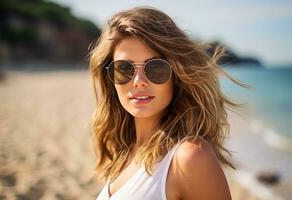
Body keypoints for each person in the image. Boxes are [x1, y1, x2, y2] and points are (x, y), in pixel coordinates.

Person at [89, 6, 241, 200]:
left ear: (176, 75)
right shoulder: (123, 153)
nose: (138, 80)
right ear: (111, 80)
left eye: (156, 67)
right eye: (124, 68)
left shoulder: (191, 158)